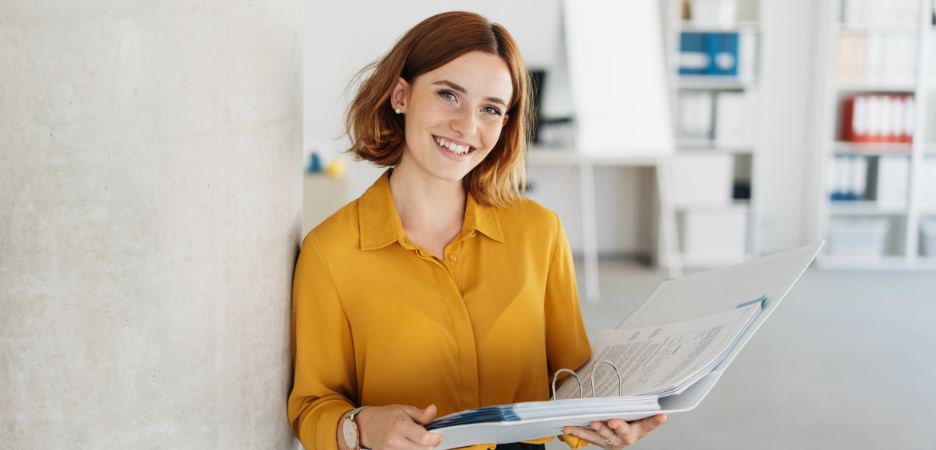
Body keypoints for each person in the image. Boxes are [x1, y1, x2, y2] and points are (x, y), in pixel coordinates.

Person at [288, 11, 666, 450]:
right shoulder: (330, 251)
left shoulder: (539, 233)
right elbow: (311, 405)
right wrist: (360, 426)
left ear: (504, 124)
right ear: (400, 95)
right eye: (449, 95)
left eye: (490, 109)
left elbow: (573, 379)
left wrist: (609, 419)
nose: (467, 126)